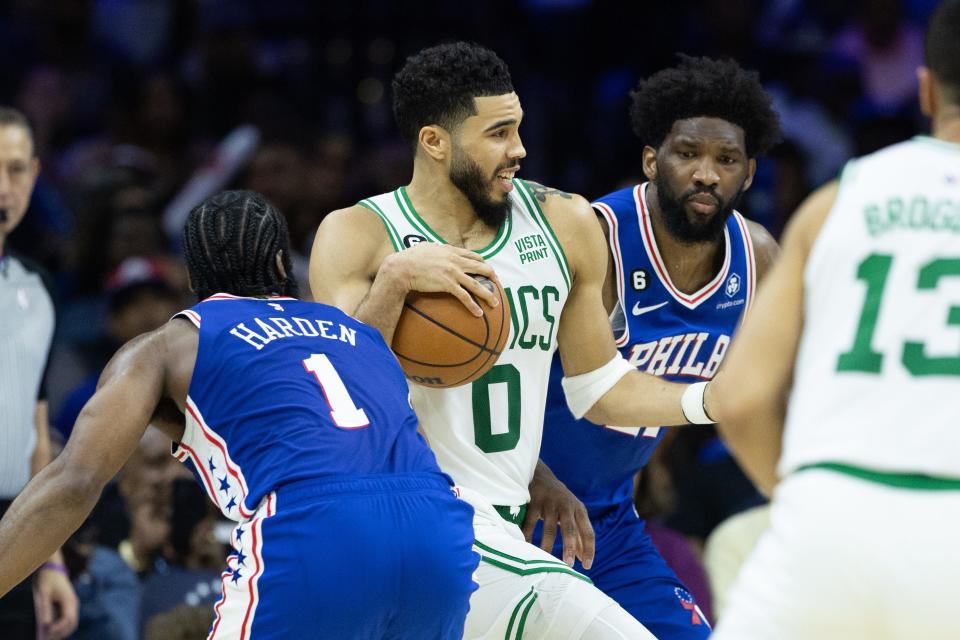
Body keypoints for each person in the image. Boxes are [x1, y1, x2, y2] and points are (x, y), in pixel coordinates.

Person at [310, 42, 721, 639]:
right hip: (418, 517)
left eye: (519, 129)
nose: (520, 150)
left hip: (511, 524)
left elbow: (599, 390)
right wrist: (396, 282)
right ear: (434, 142)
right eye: (499, 133)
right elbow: (346, 396)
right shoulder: (358, 234)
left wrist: (710, 399)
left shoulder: (565, 222)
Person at [0, 189, 480, 639]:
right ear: (279, 261)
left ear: (190, 278)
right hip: (438, 532)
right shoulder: (352, 331)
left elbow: (76, 480)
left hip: (316, 530)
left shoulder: (171, 345)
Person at [712, 2, 960, 637]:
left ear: (926, 90)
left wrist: (806, 501)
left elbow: (738, 400)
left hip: (827, 523)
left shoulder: (835, 202)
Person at [532, 55, 781, 638]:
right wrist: (530, 476)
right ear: (651, 161)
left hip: (612, 518)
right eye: (688, 153)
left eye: (726, 160)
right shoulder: (597, 238)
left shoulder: (759, 257)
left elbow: (755, 397)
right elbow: (505, 375)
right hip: (521, 503)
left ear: (747, 175)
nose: (706, 174)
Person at [0, 106, 79, 639]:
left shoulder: (38, 291)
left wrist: (49, 560)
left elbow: (35, 435)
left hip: (12, 533)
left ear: (36, 172)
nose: (4, 189)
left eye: (15, 169)